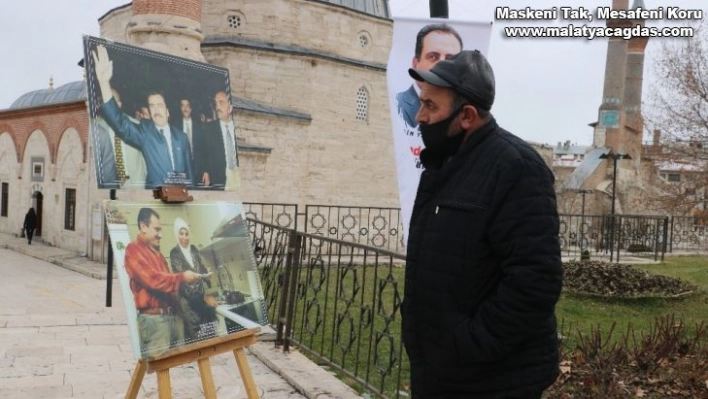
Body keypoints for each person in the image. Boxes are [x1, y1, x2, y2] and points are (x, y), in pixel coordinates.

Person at [401, 50, 563, 398]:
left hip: (491, 380)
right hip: (442, 373)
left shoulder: (516, 168)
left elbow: (535, 283)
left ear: (467, 116)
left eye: (431, 106)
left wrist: (465, 347)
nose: (419, 116)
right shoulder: (445, 165)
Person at [92, 44, 194, 189]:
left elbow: (190, 175)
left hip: (181, 202)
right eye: (151, 106)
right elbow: (121, 124)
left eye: (159, 105)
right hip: (156, 201)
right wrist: (104, 82)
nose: (156, 110)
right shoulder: (146, 133)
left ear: (168, 111)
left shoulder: (182, 138)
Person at [123, 207, 202, 357]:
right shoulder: (133, 250)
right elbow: (153, 280)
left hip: (173, 318)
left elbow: (169, 285)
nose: (161, 235)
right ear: (143, 226)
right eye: (157, 229)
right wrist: (183, 277)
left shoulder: (158, 255)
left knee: (180, 367)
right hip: (155, 323)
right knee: (159, 370)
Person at [396, 23, 463, 130]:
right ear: (415, 63)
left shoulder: (464, 114)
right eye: (433, 56)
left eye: (450, 59)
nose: (442, 65)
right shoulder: (396, 105)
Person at [169, 218, 218, 343]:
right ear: (176, 234)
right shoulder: (175, 253)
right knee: (195, 338)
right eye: (181, 233)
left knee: (208, 336)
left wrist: (207, 274)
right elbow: (182, 279)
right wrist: (204, 297)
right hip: (188, 304)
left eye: (186, 234)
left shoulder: (194, 249)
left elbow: (201, 270)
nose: (184, 237)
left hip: (201, 299)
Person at [93, 88, 148, 188]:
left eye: (112, 101)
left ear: (120, 104)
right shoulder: (98, 129)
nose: (109, 105)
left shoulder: (136, 125)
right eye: (105, 101)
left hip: (136, 183)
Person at [193, 90, 239, 188]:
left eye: (221, 103)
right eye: (216, 104)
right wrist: (205, 171)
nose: (217, 107)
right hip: (219, 178)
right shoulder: (208, 129)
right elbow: (202, 153)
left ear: (231, 106)